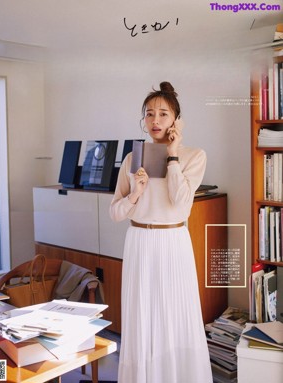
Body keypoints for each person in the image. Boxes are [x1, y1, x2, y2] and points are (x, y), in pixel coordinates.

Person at [109, 81, 213, 383]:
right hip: (139, 241)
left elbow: (181, 203)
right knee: (143, 317)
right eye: (149, 114)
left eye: (163, 114)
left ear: (176, 120)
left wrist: (173, 155)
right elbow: (115, 212)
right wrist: (135, 194)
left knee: (175, 315)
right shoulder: (133, 158)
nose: (155, 121)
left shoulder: (195, 155)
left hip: (173, 241)